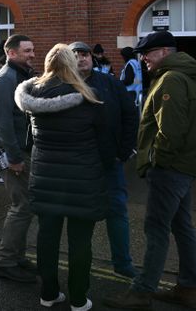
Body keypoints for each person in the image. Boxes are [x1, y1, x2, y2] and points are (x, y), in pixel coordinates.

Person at [105, 30, 196, 310]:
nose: (143, 59)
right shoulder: (181, 75)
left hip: (169, 169)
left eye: (147, 53)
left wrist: (154, 161)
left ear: (164, 52)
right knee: (183, 226)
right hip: (184, 166)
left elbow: (169, 132)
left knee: (156, 229)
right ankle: (187, 288)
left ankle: (142, 291)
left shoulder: (171, 80)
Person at [17, 44, 110, 311]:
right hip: (83, 179)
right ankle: (79, 299)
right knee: (80, 242)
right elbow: (105, 143)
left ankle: (48, 293)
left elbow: (29, 141)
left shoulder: (33, 94)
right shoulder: (89, 96)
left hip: (46, 177)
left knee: (47, 238)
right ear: (71, 64)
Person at [71, 42, 139, 278]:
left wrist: (125, 149)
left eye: (85, 54)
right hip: (78, 165)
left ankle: (122, 263)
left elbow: (130, 114)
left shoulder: (110, 83)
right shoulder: (62, 85)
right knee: (81, 217)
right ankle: (81, 264)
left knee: (117, 210)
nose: (81, 59)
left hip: (109, 161)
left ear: (92, 58)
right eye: (76, 55)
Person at [0, 34, 38, 283]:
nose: (32, 54)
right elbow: (3, 123)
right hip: (9, 152)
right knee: (22, 206)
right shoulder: (6, 80)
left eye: (32, 50)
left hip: (16, 150)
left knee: (24, 205)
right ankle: (5, 261)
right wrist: (14, 158)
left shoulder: (20, 75)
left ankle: (17, 256)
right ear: (11, 53)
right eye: (27, 51)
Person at [119, 46, 143, 112]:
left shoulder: (130, 64)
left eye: (123, 56)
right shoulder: (136, 63)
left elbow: (128, 80)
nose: (122, 58)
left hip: (131, 92)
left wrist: (118, 82)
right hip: (137, 90)